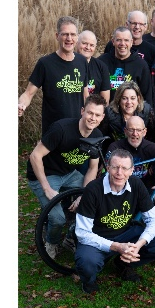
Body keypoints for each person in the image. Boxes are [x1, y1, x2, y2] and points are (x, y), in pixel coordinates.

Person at [74, 149, 155, 294]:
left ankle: (123, 263)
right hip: (98, 237)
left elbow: (154, 220)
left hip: (126, 233)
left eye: (125, 168)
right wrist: (116, 247)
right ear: (108, 167)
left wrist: (138, 245)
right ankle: (89, 281)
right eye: (115, 167)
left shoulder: (136, 184)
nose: (119, 173)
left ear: (132, 170)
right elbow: (82, 233)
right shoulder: (93, 189)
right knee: (87, 261)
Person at [26, 94, 107, 259]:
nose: (93, 118)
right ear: (82, 111)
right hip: (45, 174)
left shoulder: (97, 134)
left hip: (69, 174)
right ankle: (51, 242)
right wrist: (47, 188)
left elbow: (93, 168)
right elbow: (35, 156)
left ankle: (70, 237)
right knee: (57, 218)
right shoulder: (61, 129)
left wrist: (83, 194)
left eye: (97, 115)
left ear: (102, 117)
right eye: (90, 113)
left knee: (93, 199)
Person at [18, 16, 89, 135]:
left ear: (77, 37)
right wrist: (21, 104)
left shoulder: (82, 61)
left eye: (72, 34)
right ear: (57, 36)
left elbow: (85, 94)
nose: (69, 38)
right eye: (65, 34)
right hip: (53, 131)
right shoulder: (45, 63)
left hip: (77, 128)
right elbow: (28, 93)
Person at [104, 116, 155, 195]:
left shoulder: (153, 148)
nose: (135, 134)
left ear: (144, 132)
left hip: (146, 191)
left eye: (138, 130)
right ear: (125, 131)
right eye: (131, 130)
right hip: (120, 190)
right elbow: (105, 174)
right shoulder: (114, 147)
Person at [98, 26, 153, 106]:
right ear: (113, 42)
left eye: (126, 40)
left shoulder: (141, 65)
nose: (122, 44)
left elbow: (147, 96)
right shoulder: (101, 62)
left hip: (132, 111)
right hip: (107, 111)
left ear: (131, 42)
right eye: (118, 40)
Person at [98, 81, 155, 151]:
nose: (129, 102)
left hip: (141, 151)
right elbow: (102, 138)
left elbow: (151, 137)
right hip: (116, 151)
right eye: (124, 98)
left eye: (132, 98)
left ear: (138, 99)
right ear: (119, 99)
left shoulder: (146, 111)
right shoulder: (109, 113)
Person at [76, 30, 111, 105]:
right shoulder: (68, 63)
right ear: (77, 42)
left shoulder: (101, 67)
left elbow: (105, 101)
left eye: (92, 45)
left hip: (94, 110)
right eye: (84, 43)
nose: (88, 47)